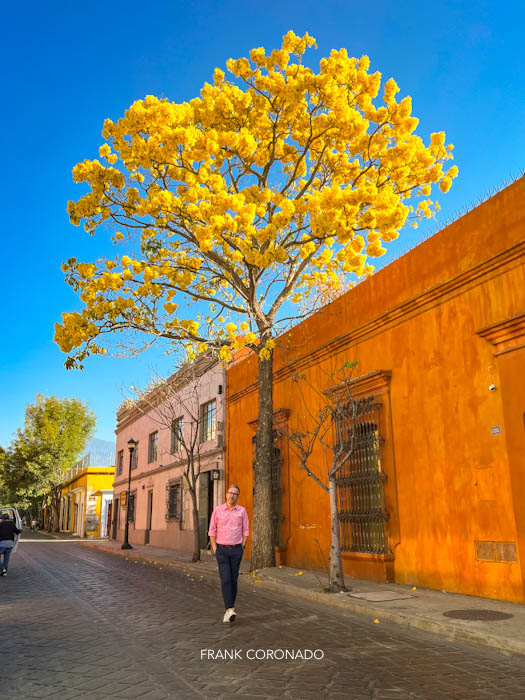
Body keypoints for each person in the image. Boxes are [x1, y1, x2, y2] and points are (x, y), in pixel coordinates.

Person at [208, 484, 250, 623]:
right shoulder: (218, 510)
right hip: (222, 550)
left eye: (236, 494)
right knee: (225, 579)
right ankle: (229, 609)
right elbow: (212, 531)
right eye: (231, 493)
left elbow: (246, 530)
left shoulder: (242, 511)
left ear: (238, 496)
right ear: (226, 494)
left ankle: (230, 609)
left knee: (233, 580)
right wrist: (215, 549)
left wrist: (242, 546)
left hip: (236, 550)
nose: (233, 496)